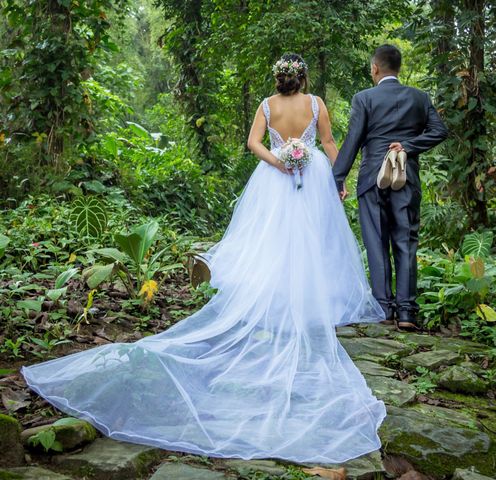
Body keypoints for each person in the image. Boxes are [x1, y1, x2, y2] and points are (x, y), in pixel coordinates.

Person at [20, 53, 388, 464]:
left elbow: (254, 144)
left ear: (280, 78)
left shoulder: (267, 105)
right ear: (303, 78)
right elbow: (330, 143)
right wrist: (335, 178)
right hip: (312, 174)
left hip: (276, 177)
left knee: (274, 240)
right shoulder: (317, 103)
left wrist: (278, 161)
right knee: (309, 240)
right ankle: (301, 296)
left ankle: (280, 294)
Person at [333, 44, 449, 331]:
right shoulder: (419, 98)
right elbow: (439, 131)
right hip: (406, 178)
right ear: (398, 67)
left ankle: (384, 308)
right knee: (405, 241)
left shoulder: (364, 98)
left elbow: (353, 139)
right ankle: (407, 313)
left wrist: (337, 177)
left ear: (375, 68)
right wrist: (408, 146)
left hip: (373, 177)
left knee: (376, 240)